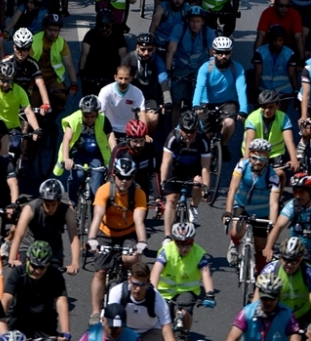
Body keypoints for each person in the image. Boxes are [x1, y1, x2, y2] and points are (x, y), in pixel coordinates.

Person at [87, 156, 149, 321]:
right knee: (100, 272)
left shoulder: (138, 193)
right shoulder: (104, 190)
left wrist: (142, 243)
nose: (124, 181)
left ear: (133, 177)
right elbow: (97, 217)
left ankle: (132, 302)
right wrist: (92, 239)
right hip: (105, 233)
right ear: (114, 175)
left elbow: (139, 221)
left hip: (128, 233)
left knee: (133, 261)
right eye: (121, 176)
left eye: (128, 177)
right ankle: (95, 311)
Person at [224, 136, 281, 268]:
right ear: (249, 156)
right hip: (242, 205)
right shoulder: (242, 166)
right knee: (237, 230)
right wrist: (228, 211)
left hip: (262, 211)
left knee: (261, 246)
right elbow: (233, 189)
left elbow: (274, 204)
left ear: (267, 159)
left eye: (262, 159)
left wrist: (272, 224)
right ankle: (235, 244)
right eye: (254, 158)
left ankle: (260, 276)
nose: (257, 162)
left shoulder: (272, 176)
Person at [150, 223, 216, 336]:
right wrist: (152, 292)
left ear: (192, 241)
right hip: (164, 292)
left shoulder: (199, 253)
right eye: (180, 244)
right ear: (174, 241)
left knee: (184, 313)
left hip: (187, 291)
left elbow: (205, 274)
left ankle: (184, 335)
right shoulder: (166, 251)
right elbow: (155, 272)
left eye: (187, 244)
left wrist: (210, 293)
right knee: (161, 320)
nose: (184, 248)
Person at [8, 178, 80, 273]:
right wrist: (12, 258)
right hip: (30, 248)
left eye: (53, 204)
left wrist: (75, 263)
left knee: (54, 281)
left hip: (53, 252)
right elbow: (19, 234)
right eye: (46, 204)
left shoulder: (67, 210)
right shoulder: (30, 208)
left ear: (59, 201)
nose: (49, 209)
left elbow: (74, 237)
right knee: (26, 277)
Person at [193, 35, 247, 159]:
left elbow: (241, 89)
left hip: (227, 102)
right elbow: (199, 87)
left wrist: (243, 110)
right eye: (220, 53)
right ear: (214, 52)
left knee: (229, 123)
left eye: (227, 53)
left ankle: (223, 144)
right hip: (206, 102)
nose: (224, 56)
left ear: (231, 52)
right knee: (204, 133)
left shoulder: (237, 68)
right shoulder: (205, 68)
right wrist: (196, 105)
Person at [2, 240, 70, 337]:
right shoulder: (18, 273)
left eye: (41, 267)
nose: (37, 271)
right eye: (34, 266)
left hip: (44, 324)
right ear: (27, 260)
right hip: (19, 321)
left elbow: (61, 302)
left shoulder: (55, 276)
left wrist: (65, 332)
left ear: (48, 264)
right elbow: (6, 298)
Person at [160, 110, 211, 239]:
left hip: (194, 166)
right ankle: (167, 236)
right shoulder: (173, 137)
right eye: (185, 130)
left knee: (198, 182)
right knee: (171, 199)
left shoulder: (202, 140)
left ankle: (194, 207)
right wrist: (163, 182)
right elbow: (166, 162)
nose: (189, 134)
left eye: (192, 131)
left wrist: (206, 189)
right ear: (180, 128)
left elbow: (205, 167)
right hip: (176, 166)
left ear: (197, 129)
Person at [54, 94, 111, 204]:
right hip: (78, 153)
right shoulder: (74, 119)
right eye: (86, 116)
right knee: (77, 176)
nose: (90, 119)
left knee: (96, 185)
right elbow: (66, 140)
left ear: (97, 113)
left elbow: (111, 140)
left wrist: (113, 160)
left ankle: (93, 210)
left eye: (93, 116)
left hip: (95, 156)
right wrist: (66, 158)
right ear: (82, 113)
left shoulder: (103, 120)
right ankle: (72, 202)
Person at [107, 260, 175, 341]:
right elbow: (108, 322)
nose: (138, 289)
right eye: (135, 284)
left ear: (148, 283)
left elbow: (167, 333)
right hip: (124, 329)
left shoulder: (157, 300)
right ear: (129, 280)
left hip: (150, 331)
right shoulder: (117, 292)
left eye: (142, 285)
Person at [223, 271, 301, 341]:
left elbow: (295, 338)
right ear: (259, 295)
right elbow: (232, 338)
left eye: (272, 299)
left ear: (278, 296)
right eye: (264, 298)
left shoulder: (287, 315)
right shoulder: (247, 313)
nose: (268, 302)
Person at [260, 237, 311, 328]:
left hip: (303, 319)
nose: (289, 264)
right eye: (286, 259)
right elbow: (258, 297)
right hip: (277, 316)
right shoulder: (270, 270)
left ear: (300, 260)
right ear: (280, 257)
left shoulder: (308, 272)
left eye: (294, 261)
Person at [265, 173, 311, 261]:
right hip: (296, 251)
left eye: (301, 192)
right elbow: (278, 227)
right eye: (295, 191)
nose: (297, 196)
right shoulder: (292, 206)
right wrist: (268, 247)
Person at [98, 66, 147, 146]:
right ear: (115, 77)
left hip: (129, 131)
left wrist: (144, 134)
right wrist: (103, 131)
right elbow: (100, 113)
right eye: (120, 78)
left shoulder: (137, 92)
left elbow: (141, 113)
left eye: (126, 78)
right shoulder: (106, 91)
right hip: (109, 130)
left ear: (131, 78)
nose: (123, 81)